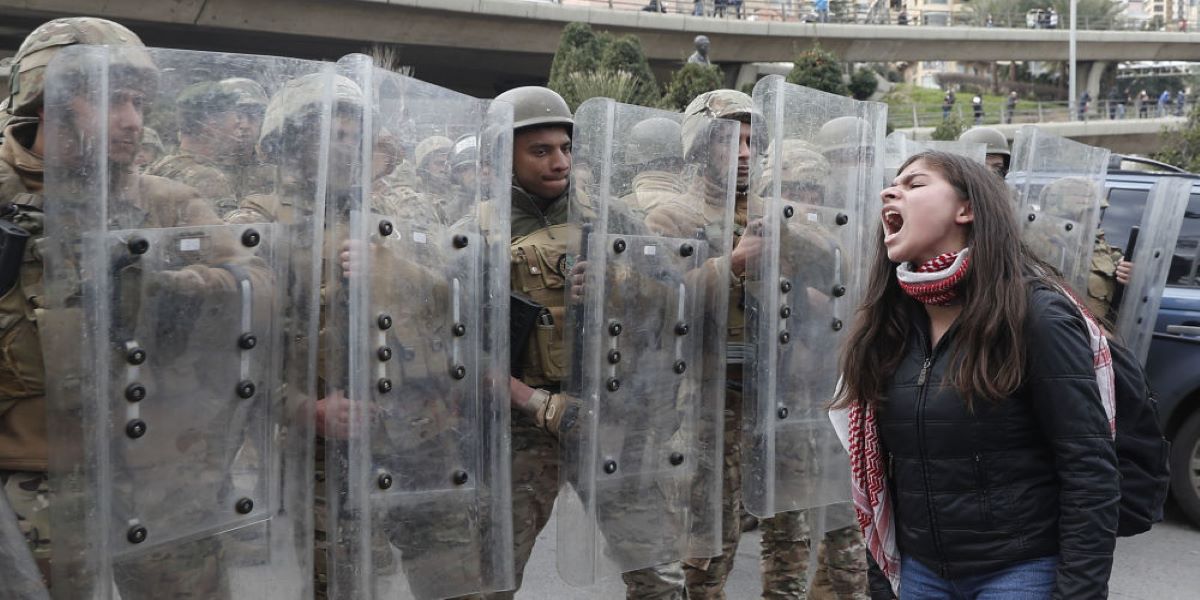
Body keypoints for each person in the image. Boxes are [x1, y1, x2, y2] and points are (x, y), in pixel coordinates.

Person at [2, 17, 269, 596]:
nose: (133, 121)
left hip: (161, 468)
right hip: (33, 474)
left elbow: (261, 290)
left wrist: (184, 285)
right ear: (46, 101)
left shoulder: (165, 202)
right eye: (110, 100)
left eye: (139, 101)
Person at [835, 151, 1119, 598]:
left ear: (966, 209)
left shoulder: (1036, 315)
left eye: (915, 184)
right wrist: (883, 582)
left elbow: (1089, 470)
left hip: (1021, 571)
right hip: (919, 572)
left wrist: (1079, 592)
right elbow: (879, 479)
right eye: (892, 184)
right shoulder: (886, 325)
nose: (891, 191)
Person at [486, 85, 686, 599]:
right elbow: (450, 333)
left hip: (608, 419)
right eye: (540, 150)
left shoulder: (610, 218)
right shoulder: (478, 228)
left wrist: (616, 282)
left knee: (659, 576)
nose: (560, 162)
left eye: (566, 148)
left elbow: (672, 302)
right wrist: (518, 395)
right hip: (521, 426)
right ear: (500, 153)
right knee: (490, 579)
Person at [146, 78, 271, 217]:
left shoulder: (161, 165)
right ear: (211, 123)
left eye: (252, 116)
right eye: (234, 116)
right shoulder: (208, 178)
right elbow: (226, 235)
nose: (240, 124)